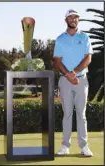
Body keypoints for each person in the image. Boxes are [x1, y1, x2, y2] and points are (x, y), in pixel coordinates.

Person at [53, 9, 93, 157]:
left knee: (82, 115)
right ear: (66, 20)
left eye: (75, 17)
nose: (73, 19)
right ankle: (65, 145)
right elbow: (56, 61)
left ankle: (84, 146)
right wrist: (68, 75)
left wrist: (73, 73)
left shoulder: (85, 37)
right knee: (67, 114)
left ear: (78, 20)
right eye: (70, 17)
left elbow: (88, 58)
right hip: (65, 81)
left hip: (81, 80)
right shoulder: (60, 39)